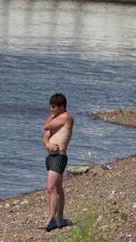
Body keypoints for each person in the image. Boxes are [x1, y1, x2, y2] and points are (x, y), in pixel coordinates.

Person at [42, 93, 74, 231]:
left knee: (51, 188)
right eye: (51, 107)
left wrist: (53, 117)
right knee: (58, 189)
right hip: (51, 157)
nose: (51, 110)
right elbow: (46, 135)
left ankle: (51, 219)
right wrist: (48, 144)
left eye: (54, 107)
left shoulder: (66, 117)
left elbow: (45, 126)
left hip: (59, 157)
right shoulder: (57, 118)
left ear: (62, 106)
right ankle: (60, 219)